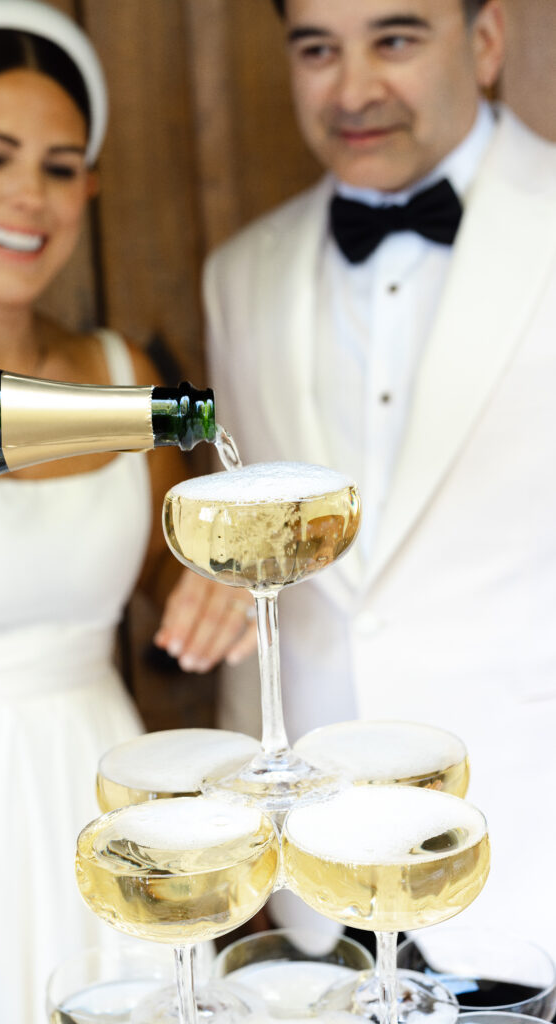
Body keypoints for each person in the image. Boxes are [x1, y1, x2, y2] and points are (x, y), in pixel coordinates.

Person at [0, 3, 254, 1022]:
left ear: (88, 184)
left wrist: (218, 585)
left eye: (58, 166)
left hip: (100, 807)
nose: (26, 198)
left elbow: (179, 580)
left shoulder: (122, 374)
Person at [204, 0, 556, 956]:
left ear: (484, 44)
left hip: (532, 867)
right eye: (317, 49)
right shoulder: (237, 274)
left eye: (394, 39)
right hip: (315, 891)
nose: (352, 89)